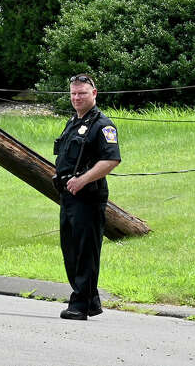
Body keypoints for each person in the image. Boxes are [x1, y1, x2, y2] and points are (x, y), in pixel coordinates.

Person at [53, 73, 121, 320]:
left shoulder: (103, 125)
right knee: (70, 250)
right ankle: (90, 301)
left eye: (82, 93)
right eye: (73, 93)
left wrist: (83, 179)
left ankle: (81, 304)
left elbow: (111, 159)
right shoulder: (73, 122)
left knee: (86, 251)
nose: (76, 97)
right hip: (68, 196)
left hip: (88, 196)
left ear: (94, 93)